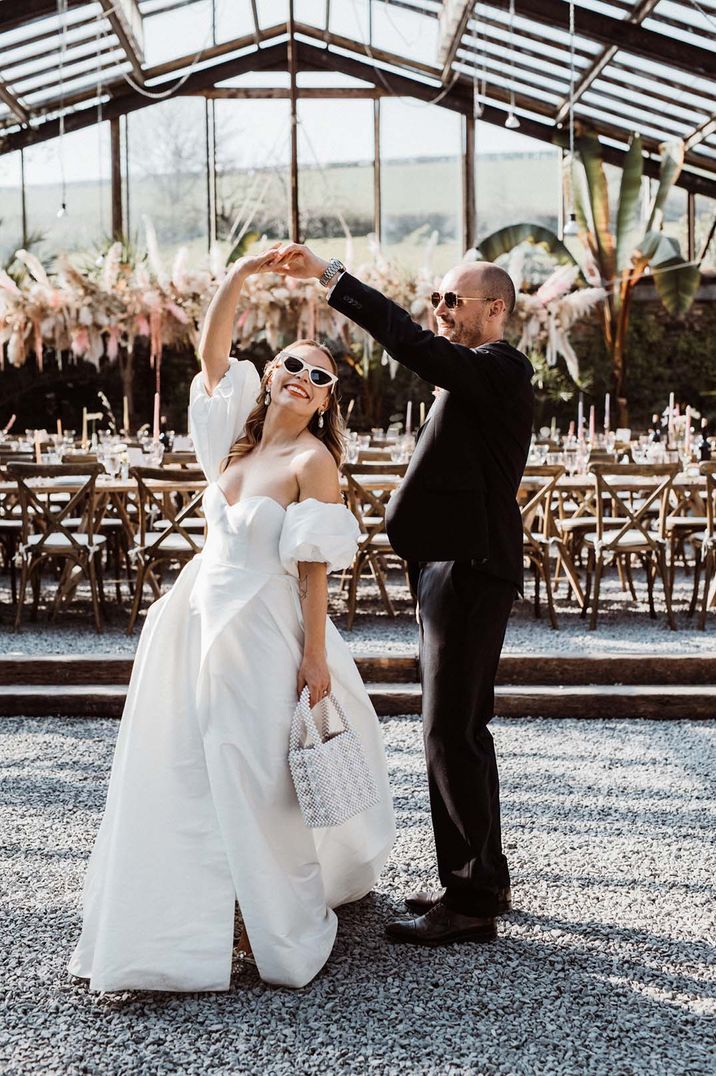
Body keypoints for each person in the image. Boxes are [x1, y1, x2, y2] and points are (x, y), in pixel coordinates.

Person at [69, 249, 395, 991]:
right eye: (294, 363)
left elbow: (313, 568)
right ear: (272, 370)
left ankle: (268, 918)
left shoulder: (312, 462)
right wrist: (245, 271)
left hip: (260, 632)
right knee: (189, 766)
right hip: (193, 624)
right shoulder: (235, 445)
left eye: (321, 377)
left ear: (324, 404)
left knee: (250, 771)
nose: (304, 377)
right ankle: (193, 917)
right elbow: (211, 351)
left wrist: (315, 660)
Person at [272, 244, 534, 947]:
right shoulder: (474, 376)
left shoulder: (501, 367)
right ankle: (480, 878)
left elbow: (413, 345)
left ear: (495, 309)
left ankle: (471, 900)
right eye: (437, 299)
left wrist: (334, 281)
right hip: (452, 568)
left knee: (448, 730)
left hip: (472, 568)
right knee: (459, 728)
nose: (439, 310)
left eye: (454, 300)